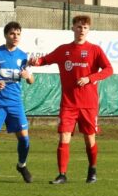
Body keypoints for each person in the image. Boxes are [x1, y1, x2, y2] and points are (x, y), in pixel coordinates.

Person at [28, 15, 113, 184]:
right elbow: (45, 60)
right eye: (79, 27)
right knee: (64, 137)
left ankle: (92, 170)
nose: (82, 30)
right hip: (68, 104)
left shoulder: (95, 50)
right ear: (72, 28)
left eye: (85, 27)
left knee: (89, 139)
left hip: (88, 104)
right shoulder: (63, 50)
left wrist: (90, 78)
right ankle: (62, 174)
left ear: (88, 30)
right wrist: (35, 62)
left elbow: (109, 69)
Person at [0, 21, 34, 183]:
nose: (15, 37)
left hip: (15, 104)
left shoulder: (23, 56)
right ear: (5, 35)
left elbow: (31, 80)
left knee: (24, 139)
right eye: (12, 33)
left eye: (18, 34)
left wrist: (28, 76)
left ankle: (22, 165)